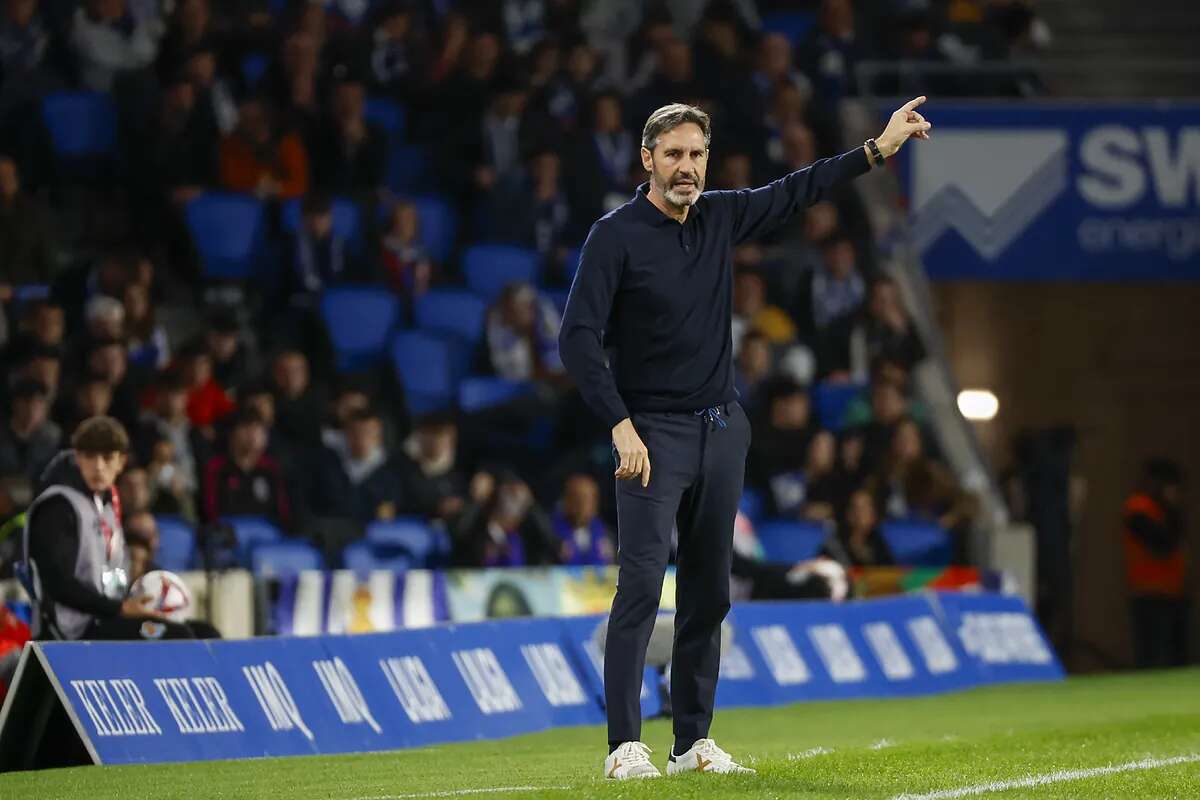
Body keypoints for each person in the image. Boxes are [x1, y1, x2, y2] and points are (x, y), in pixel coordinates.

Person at [558, 98, 931, 778]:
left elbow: (798, 189)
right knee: (641, 586)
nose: (687, 167)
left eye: (696, 154)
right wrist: (619, 423)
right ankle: (623, 747)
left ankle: (692, 743)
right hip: (651, 436)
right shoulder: (615, 236)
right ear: (647, 159)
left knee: (710, 591)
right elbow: (577, 337)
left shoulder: (721, 215)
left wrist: (874, 151)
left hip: (722, 429)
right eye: (673, 154)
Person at [22, 417, 198, 640]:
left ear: (121, 462)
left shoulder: (103, 506)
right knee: (176, 635)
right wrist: (119, 609)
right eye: (89, 457)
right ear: (77, 457)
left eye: (107, 458)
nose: (98, 466)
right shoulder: (58, 507)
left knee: (203, 631)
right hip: (73, 630)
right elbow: (57, 583)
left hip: (107, 618)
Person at [1124, 459, 1189, 669]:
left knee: (1178, 657)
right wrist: (1171, 511)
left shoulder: (1162, 510)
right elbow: (1162, 544)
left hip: (1173, 592)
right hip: (1149, 594)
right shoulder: (1138, 507)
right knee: (1151, 656)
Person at [201, 410, 291, 527]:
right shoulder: (215, 467)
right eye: (247, 428)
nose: (253, 435)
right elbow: (211, 512)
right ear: (231, 434)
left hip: (267, 533)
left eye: (258, 429)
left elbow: (283, 512)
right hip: (229, 533)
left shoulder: (271, 468)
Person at [0, 378, 60, 482]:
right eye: (27, 401)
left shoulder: (52, 438)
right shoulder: (3, 433)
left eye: (39, 402)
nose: (32, 409)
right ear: (15, 404)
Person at [821, 487, 895, 568]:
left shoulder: (878, 542)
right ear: (849, 514)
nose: (869, 512)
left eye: (870, 506)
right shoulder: (833, 547)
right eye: (862, 508)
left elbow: (891, 572)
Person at [551, 473, 614, 566]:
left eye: (589, 499)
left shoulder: (607, 535)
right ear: (567, 501)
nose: (583, 506)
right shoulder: (550, 533)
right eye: (578, 499)